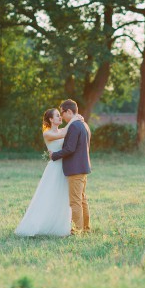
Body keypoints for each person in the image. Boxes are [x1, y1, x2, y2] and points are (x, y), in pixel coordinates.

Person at [15, 108, 82, 237]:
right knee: (49, 195)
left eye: (59, 115)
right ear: (51, 119)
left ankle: (61, 226)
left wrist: (77, 119)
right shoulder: (47, 133)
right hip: (54, 169)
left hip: (65, 167)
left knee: (63, 197)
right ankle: (40, 224)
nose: (60, 117)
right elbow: (63, 135)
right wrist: (73, 119)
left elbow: (67, 134)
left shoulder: (63, 129)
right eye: (57, 116)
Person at [49, 99, 92, 235]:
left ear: (69, 111)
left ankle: (77, 230)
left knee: (75, 201)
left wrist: (54, 155)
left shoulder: (74, 126)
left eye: (62, 112)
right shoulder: (84, 124)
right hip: (83, 167)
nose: (61, 116)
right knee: (82, 200)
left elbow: (70, 148)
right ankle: (85, 228)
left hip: (75, 169)